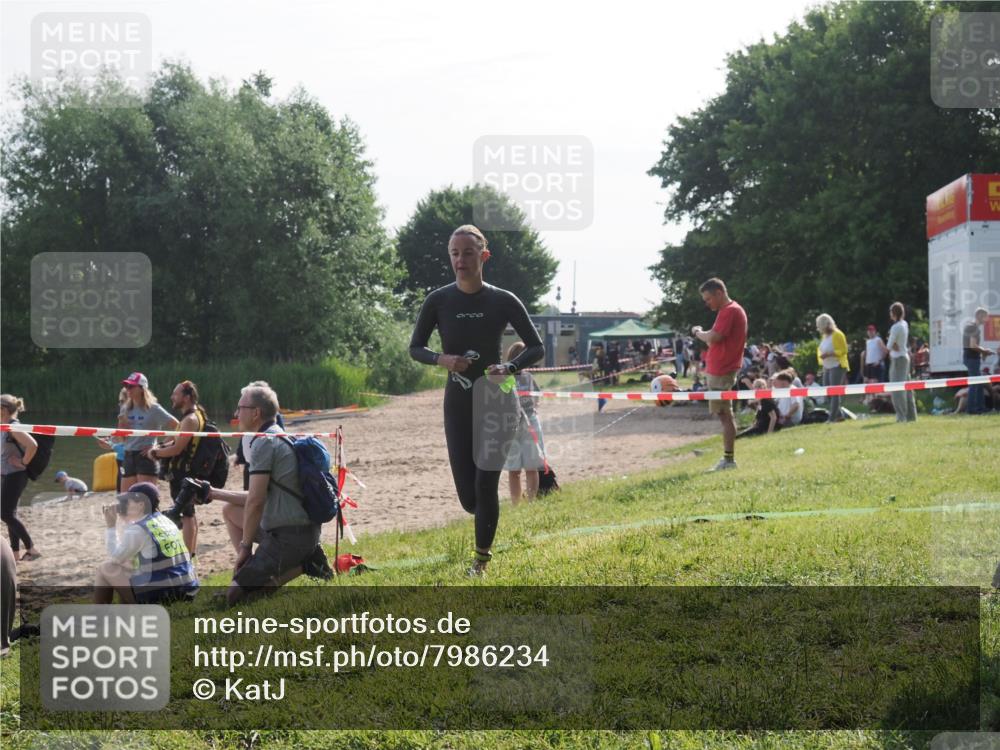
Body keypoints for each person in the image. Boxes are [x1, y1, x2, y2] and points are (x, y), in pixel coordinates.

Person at [409, 225, 544, 576]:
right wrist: (442, 359)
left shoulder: (502, 300)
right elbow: (416, 348)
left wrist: (511, 365)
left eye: (468, 253)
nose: (460, 260)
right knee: (470, 499)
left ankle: (481, 562)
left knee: (486, 484)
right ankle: (482, 521)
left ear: (483, 256)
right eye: (454, 253)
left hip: (498, 402)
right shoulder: (438, 300)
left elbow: (536, 346)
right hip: (458, 403)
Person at [203, 383, 328, 604]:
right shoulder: (275, 435)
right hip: (293, 528)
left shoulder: (264, 443)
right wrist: (212, 492)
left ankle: (306, 564)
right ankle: (280, 564)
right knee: (230, 510)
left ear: (256, 413)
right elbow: (254, 496)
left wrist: (245, 547)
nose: (235, 413)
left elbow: (256, 501)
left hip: (290, 535)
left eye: (240, 407)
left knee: (235, 598)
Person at [94, 482, 198, 604]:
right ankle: (125, 613)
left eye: (128, 501)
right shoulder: (165, 520)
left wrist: (111, 526)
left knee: (106, 568)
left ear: (141, 505)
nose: (124, 505)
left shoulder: (138, 529)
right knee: (127, 566)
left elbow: (114, 558)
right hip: (187, 590)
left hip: (165, 594)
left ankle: (101, 616)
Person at [144, 380, 208, 557]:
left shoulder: (190, 419)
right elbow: (179, 442)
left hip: (183, 473)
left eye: (176, 394)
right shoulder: (194, 415)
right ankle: (191, 552)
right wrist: (162, 447)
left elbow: (178, 449)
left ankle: (188, 554)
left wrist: (156, 453)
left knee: (187, 514)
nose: (172, 397)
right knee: (189, 513)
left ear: (186, 397)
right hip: (185, 472)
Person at [691, 277, 748, 472]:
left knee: (725, 415)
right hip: (720, 370)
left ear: (719, 293)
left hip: (722, 371)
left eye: (708, 299)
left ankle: (729, 460)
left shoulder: (730, 311)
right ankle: (727, 459)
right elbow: (714, 340)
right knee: (724, 415)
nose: (707, 303)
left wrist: (697, 332)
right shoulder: (728, 311)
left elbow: (713, 337)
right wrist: (705, 335)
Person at [119, 373, 179, 492]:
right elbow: (122, 439)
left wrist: (158, 446)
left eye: (131, 386)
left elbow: (179, 427)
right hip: (128, 455)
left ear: (142, 389)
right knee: (125, 501)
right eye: (126, 386)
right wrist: (121, 427)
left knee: (146, 500)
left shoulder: (154, 409)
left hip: (145, 457)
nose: (128, 389)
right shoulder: (125, 408)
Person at [503, 342, 545, 504]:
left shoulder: (528, 376)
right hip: (511, 425)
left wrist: (533, 408)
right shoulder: (504, 377)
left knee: (531, 466)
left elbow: (537, 395)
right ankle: (515, 503)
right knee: (514, 469)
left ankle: (531, 501)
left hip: (530, 424)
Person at [0, 395, 40, 562]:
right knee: (10, 513)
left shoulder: (14, 427)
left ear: (3, 409)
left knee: (5, 513)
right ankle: (15, 554)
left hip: (15, 475)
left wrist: (22, 462)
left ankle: (32, 549)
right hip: (7, 474)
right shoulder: (5, 426)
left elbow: (33, 445)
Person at [815, 314, 850, 422]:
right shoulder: (825, 336)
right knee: (827, 391)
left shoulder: (838, 334)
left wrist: (830, 353)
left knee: (834, 392)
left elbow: (844, 350)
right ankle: (839, 415)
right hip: (827, 366)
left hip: (837, 365)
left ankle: (832, 418)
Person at [962, 307, 997, 415]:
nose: (986, 319)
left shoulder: (970, 326)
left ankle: (980, 408)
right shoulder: (974, 328)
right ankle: (973, 409)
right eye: (985, 316)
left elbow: (972, 345)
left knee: (978, 383)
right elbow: (973, 345)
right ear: (980, 316)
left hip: (969, 357)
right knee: (975, 384)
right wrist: (985, 351)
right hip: (972, 359)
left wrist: (982, 352)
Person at [887, 302, 917, 422]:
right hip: (905, 357)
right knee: (908, 389)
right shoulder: (904, 324)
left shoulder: (895, 327)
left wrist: (892, 343)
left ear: (893, 313)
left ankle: (901, 416)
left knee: (897, 389)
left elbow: (889, 345)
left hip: (898, 359)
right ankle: (911, 416)